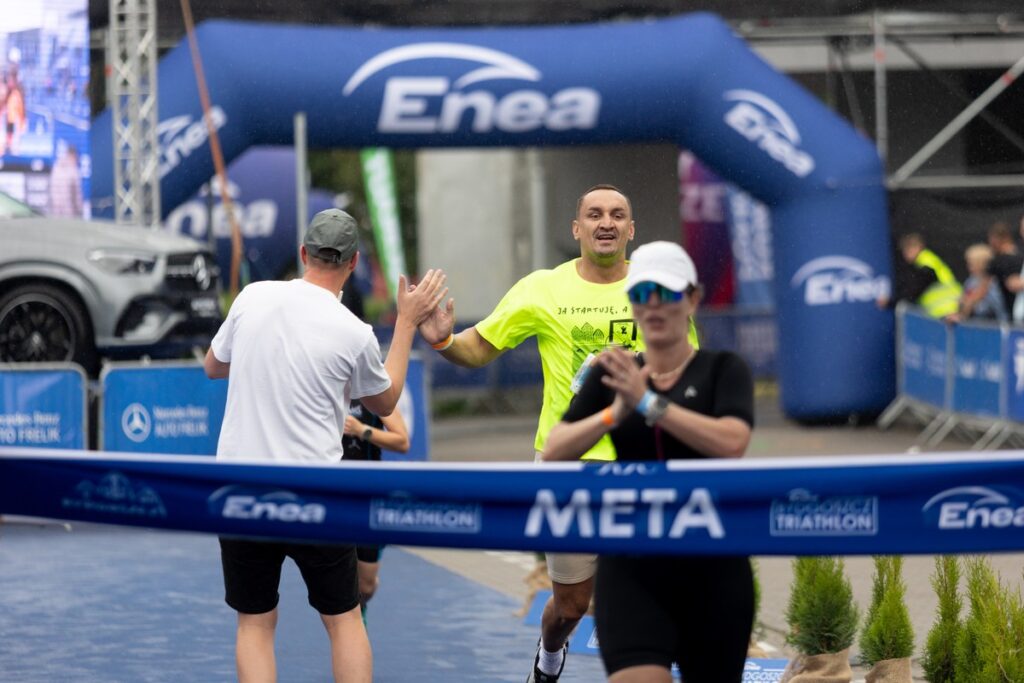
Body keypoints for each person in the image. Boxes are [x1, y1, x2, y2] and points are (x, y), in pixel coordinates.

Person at [417, 184, 698, 682]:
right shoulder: (542, 288)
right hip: (567, 465)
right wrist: (442, 339)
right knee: (570, 605)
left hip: (642, 465)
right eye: (594, 215)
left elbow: (686, 372)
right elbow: (479, 348)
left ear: (631, 230)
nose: (605, 222)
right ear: (577, 229)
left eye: (617, 215)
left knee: (650, 592)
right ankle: (549, 657)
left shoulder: (656, 293)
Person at [203, 208, 446, 683]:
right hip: (315, 490)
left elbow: (214, 366)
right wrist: (407, 322)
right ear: (353, 263)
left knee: (255, 623)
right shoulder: (353, 332)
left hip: (241, 488)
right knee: (344, 619)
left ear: (302, 254)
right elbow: (387, 397)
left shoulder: (252, 296)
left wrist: (264, 358)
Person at [543, 240, 755, 683]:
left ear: (693, 300)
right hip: (632, 566)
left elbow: (733, 442)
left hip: (713, 566)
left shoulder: (723, 369)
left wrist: (650, 405)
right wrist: (612, 414)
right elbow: (554, 451)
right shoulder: (612, 373)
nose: (653, 305)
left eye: (667, 293)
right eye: (641, 294)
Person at [339, 284, 411, 620]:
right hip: (333, 492)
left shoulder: (370, 387)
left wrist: (363, 431)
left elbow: (402, 440)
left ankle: (359, 607)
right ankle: (349, 626)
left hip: (368, 493)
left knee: (366, 585)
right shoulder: (322, 386)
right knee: (337, 578)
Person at [877, 233, 961, 319]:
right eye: (905, 250)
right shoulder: (927, 259)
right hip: (946, 310)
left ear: (919, 247)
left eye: (909, 248)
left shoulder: (924, 264)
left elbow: (913, 291)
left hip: (948, 310)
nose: (906, 254)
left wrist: (891, 302)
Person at [961, 221, 1022, 322]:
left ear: (995, 239)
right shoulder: (1020, 254)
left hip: (1007, 318)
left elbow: (982, 290)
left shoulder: (997, 262)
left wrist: (963, 314)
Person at [957, 243, 1006, 322]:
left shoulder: (994, 283)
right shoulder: (970, 281)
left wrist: (972, 302)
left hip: (991, 325)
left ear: (981, 264)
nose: (968, 267)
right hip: (972, 324)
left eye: (971, 264)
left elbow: (997, 308)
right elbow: (964, 305)